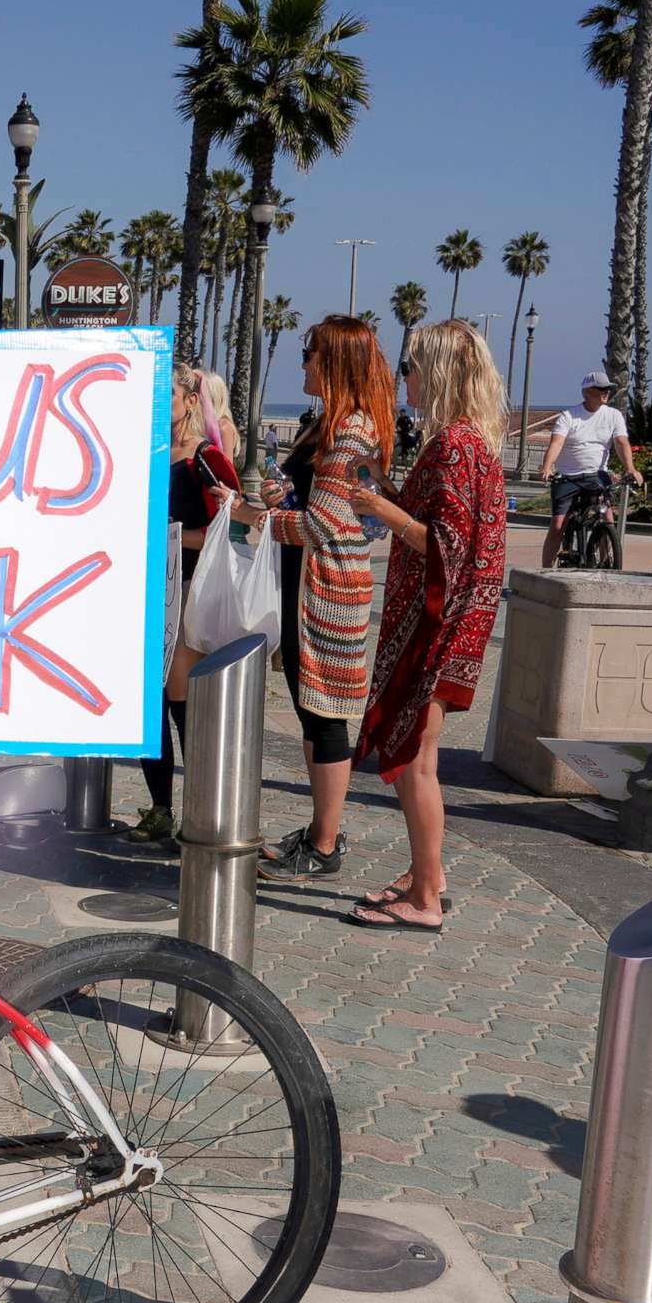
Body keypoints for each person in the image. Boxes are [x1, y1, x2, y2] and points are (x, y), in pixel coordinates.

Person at [346, 321, 510, 930]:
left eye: (411, 367)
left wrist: (378, 507)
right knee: (422, 755)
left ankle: (424, 901)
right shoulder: (469, 442)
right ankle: (427, 876)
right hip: (455, 620)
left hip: (439, 625)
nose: (403, 378)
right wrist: (388, 488)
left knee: (416, 756)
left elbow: (445, 548)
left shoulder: (456, 446)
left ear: (437, 373)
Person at [231, 315, 394, 881]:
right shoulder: (328, 425)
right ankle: (321, 830)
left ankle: (325, 842)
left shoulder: (352, 430)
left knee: (325, 712)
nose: (302, 364)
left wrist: (258, 518)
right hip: (310, 584)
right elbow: (318, 502)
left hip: (327, 590)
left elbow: (326, 525)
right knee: (310, 708)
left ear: (335, 361)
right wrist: (284, 495)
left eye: (310, 355)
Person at [128, 363, 241, 845]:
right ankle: (160, 809)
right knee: (147, 707)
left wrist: (172, 537)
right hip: (150, 589)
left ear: (192, 401)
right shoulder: (149, 453)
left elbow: (233, 526)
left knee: (178, 702)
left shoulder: (207, 458)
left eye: (168, 397)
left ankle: (201, 811)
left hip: (190, 590)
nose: (160, 405)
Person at [537, 369, 641, 568]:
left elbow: (621, 442)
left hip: (596, 475)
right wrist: (547, 467)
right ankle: (545, 571)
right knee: (558, 526)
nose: (606, 393)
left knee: (606, 517)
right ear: (586, 393)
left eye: (607, 390)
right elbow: (557, 443)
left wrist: (631, 469)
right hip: (568, 476)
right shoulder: (569, 416)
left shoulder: (614, 415)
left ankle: (606, 563)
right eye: (601, 390)